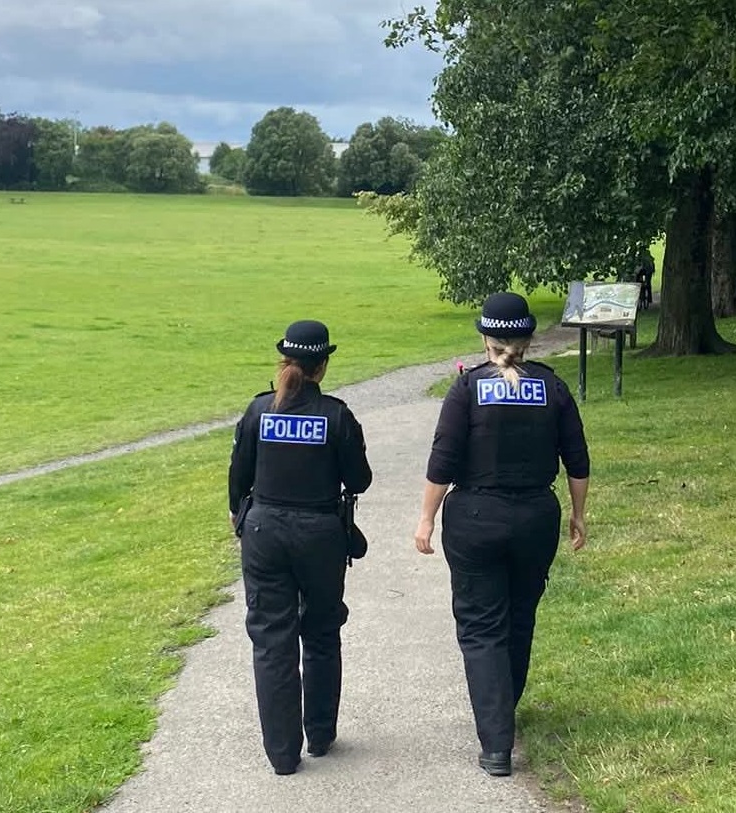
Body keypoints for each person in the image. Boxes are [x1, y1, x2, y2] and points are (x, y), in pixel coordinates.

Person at [413, 292, 590, 777]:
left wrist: (426, 518)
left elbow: (443, 460)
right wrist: (578, 514)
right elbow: (576, 457)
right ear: (529, 340)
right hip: (536, 517)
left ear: (485, 338)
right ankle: (504, 713)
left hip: (474, 518)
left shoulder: (467, 388)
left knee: (480, 626)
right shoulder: (552, 389)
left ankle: (496, 744)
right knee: (518, 617)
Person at [228, 319, 373, 775]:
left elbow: (238, 479)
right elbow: (361, 479)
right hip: (320, 534)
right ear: (323, 365)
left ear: (284, 361)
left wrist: (242, 517)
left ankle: (282, 754)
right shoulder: (336, 415)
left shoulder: (258, 412)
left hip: (264, 532)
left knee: (272, 640)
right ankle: (321, 734)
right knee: (322, 629)